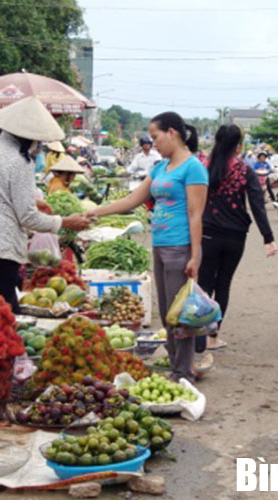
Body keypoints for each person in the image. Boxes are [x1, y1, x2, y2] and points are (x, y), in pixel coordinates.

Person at [85, 112, 208, 381]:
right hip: (160, 246)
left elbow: (195, 213)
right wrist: (96, 212)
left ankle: (182, 372)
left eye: (156, 138)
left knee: (180, 316)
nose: (153, 145)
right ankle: (179, 366)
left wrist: (195, 256)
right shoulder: (161, 168)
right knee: (166, 314)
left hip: (180, 247)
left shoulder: (193, 167)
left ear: (172, 133)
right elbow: (132, 200)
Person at [0, 97, 90, 313]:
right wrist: (66, 222)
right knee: (2, 310)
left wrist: (33, 201)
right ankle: (5, 347)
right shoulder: (19, 162)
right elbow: (28, 218)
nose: (37, 143)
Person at [196, 125, 277, 352]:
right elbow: (257, 206)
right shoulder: (244, 171)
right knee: (223, 283)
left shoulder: (203, 168)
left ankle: (199, 336)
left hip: (207, 234)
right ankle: (213, 336)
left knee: (204, 284)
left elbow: (191, 202)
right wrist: (268, 238)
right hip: (235, 236)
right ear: (238, 145)